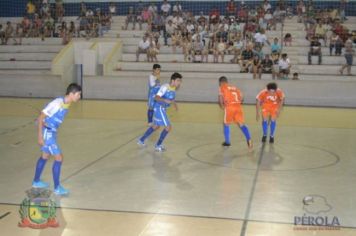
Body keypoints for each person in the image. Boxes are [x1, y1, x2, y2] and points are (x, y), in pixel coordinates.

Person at [31, 83, 82, 195]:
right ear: (71, 94)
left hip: (52, 132)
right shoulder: (57, 103)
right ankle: (57, 188)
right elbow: (41, 117)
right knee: (59, 158)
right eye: (78, 94)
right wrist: (40, 136)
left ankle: (36, 181)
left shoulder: (66, 103)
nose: (79, 97)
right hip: (47, 133)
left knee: (45, 156)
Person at [138, 72, 183, 152]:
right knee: (168, 127)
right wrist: (164, 100)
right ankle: (158, 145)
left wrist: (174, 104)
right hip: (159, 108)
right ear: (173, 80)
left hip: (162, 109)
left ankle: (141, 140)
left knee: (156, 126)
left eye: (180, 81)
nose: (179, 83)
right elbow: (156, 97)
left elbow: (171, 98)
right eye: (178, 80)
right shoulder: (165, 87)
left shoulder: (173, 88)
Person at [219, 76, 253, 148]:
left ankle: (227, 142)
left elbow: (220, 97)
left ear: (221, 82)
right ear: (227, 81)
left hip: (229, 107)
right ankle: (249, 139)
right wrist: (238, 102)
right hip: (238, 107)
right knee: (241, 124)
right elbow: (242, 97)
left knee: (226, 124)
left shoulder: (222, 87)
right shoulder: (235, 88)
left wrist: (222, 105)